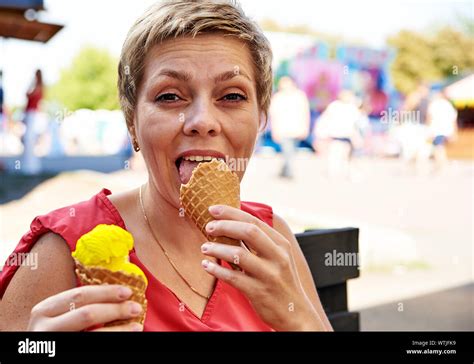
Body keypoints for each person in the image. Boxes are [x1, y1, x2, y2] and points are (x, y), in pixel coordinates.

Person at [0, 0, 332, 332]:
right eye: (170, 96)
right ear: (133, 123)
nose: (203, 122)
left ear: (261, 118)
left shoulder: (271, 236)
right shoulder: (64, 249)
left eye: (232, 96)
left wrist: (299, 320)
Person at [314, 90, 364, 178]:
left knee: (346, 156)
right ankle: (334, 172)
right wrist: (323, 133)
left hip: (348, 136)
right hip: (336, 136)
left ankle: (346, 172)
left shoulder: (352, 107)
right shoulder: (334, 106)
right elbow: (325, 120)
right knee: (335, 155)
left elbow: (357, 123)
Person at [269, 76, 310, 179]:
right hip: (283, 130)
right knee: (288, 151)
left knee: (290, 151)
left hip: (296, 129)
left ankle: (284, 170)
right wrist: (275, 131)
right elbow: (274, 115)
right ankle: (289, 172)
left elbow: (305, 113)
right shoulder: (278, 97)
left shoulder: (299, 96)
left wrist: (305, 128)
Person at [426, 91, 458, 172]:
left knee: (438, 147)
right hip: (446, 129)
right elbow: (453, 119)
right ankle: (440, 163)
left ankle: (441, 163)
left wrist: (428, 129)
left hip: (437, 129)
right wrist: (454, 132)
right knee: (439, 146)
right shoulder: (448, 105)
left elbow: (429, 117)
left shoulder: (434, 104)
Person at [21, 69, 44, 174]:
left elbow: (27, 94)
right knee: (29, 140)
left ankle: (31, 167)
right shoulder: (40, 87)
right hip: (31, 114)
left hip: (32, 114)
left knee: (29, 139)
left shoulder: (37, 86)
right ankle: (29, 165)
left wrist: (31, 83)